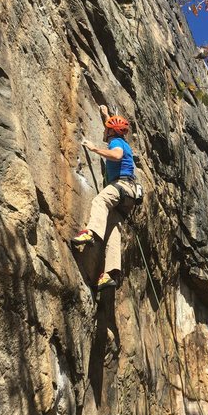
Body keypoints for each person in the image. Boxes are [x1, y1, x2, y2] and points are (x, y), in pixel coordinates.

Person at [71, 105, 137, 291]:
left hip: (120, 186)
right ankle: (108, 274)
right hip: (128, 195)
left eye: (106, 128)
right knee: (114, 227)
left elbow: (116, 154)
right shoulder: (121, 140)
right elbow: (112, 130)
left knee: (100, 201)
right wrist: (106, 115)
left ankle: (91, 232)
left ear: (110, 132)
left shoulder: (117, 143)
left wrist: (94, 149)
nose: (104, 131)